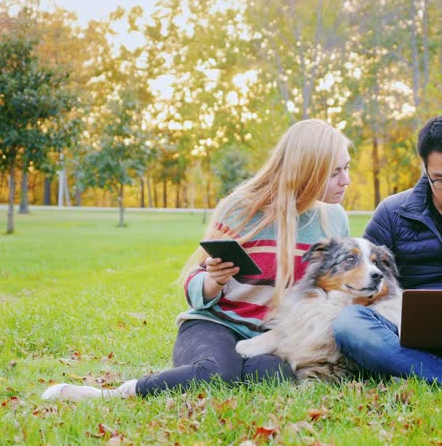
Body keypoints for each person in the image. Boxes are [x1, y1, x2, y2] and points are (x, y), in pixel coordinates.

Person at [42, 118, 352, 401]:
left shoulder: (334, 220)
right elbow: (194, 281)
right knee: (216, 374)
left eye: (346, 168)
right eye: (335, 173)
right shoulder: (242, 208)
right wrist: (213, 280)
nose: (346, 180)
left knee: (269, 377)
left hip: (271, 337)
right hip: (216, 325)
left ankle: (222, 372)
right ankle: (110, 395)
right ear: (306, 172)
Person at [333, 115, 442, 385]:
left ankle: (419, 371)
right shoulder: (392, 213)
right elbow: (362, 276)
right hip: (407, 334)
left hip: (408, 354)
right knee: (349, 323)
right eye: (440, 179)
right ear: (425, 170)